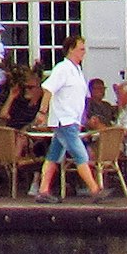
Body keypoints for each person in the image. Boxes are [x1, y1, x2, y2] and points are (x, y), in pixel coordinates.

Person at [35, 37, 91, 199]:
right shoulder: (63, 68)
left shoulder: (77, 70)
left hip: (71, 119)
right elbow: (48, 89)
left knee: (53, 156)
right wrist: (43, 112)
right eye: (81, 49)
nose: (84, 52)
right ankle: (95, 189)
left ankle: (43, 190)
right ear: (71, 49)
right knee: (81, 155)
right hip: (63, 120)